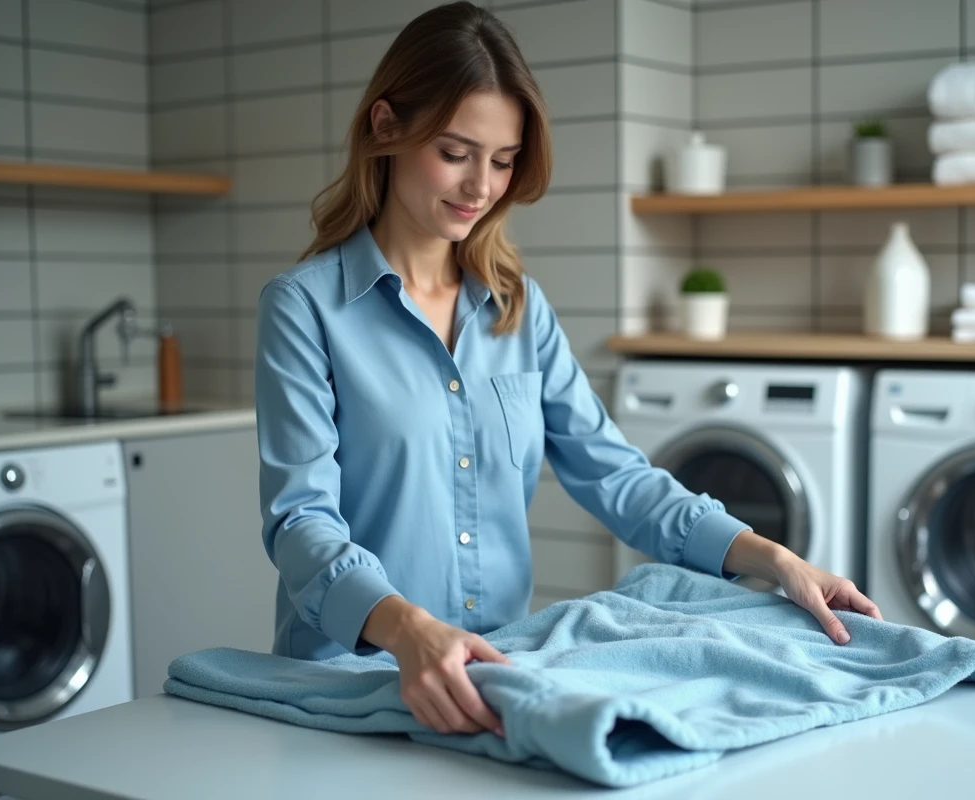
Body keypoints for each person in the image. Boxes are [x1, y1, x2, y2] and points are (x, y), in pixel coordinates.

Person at [254, 1, 881, 739]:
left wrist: (772, 559)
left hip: (494, 678)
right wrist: (407, 631)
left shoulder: (518, 309)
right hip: (347, 682)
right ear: (385, 127)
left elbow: (617, 477)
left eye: (502, 159)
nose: (480, 186)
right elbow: (301, 523)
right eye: (455, 152)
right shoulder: (304, 309)